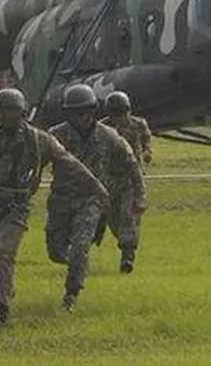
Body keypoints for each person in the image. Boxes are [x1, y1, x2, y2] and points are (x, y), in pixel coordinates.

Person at [0, 87, 110, 337]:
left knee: (3, 255)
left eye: (13, 111)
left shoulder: (40, 141)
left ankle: (0, 308)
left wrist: (98, 188)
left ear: (23, 113)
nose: (7, 117)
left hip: (15, 206)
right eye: (2, 112)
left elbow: (70, 164)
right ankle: (2, 288)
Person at [47, 84, 144, 311]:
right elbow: (33, 160)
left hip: (91, 200)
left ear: (93, 111)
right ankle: (72, 261)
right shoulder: (55, 135)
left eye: (86, 112)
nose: (81, 117)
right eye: (75, 112)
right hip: (61, 199)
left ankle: (71, 295)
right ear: (68, 113)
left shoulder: (109, 136)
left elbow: (133, 165)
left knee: (81, 245)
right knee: (56, 251)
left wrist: (140, 196)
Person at [100, 90, 151, 273]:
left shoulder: (138, 125)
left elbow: (146, 142)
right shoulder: (103, 128)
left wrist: (146, 153)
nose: (120, 118)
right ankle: (123, 241)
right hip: (110, 178)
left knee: (129, 216)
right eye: (116, 114)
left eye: (122, 113)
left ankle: (127, 256)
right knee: (113, 220)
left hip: (131, 177)